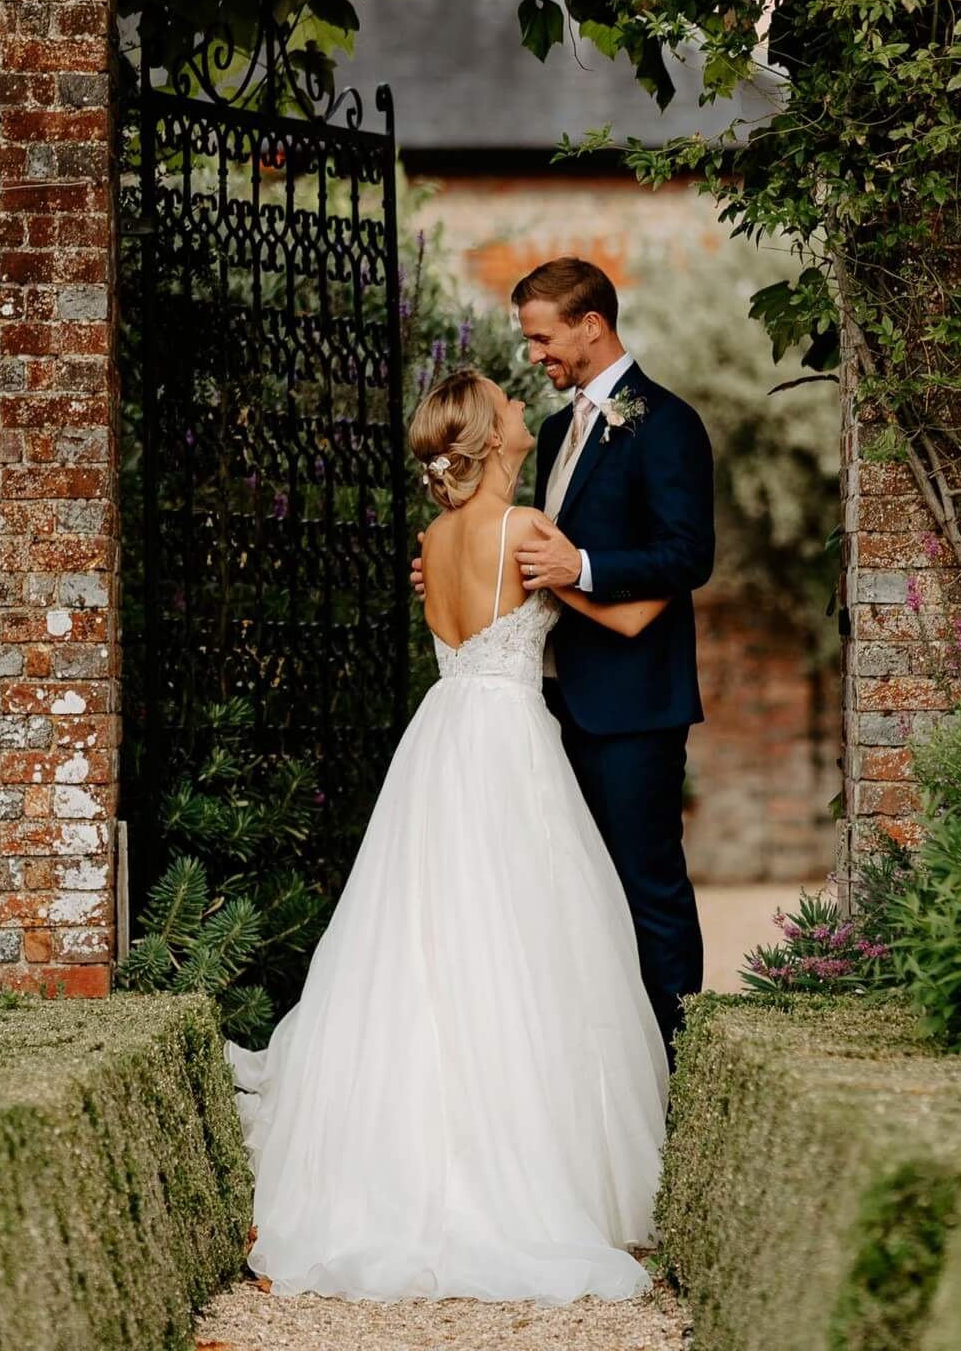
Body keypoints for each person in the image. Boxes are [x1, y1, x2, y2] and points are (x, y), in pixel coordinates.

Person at [224, 369, 670, 1304]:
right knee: (525, 939)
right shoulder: (526, 532)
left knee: (425, 938)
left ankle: (412, 1149)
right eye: (510, 410)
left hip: (441, 739)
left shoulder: (433, 538)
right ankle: (523, 1162)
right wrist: (667, 579)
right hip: (508, 744)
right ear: (494, 441)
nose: (523, 413)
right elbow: (622, 612)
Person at [416, 257, 716, 1053]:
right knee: (573, 897)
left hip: (631, 702)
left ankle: (679, 1061)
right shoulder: (552, 432)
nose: (535, 354)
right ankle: (601, 1061)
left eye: (544, 337)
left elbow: (688, 555)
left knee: (645, 886)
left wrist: (580, 569)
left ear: (592, 324)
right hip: (545, 704)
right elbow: (516, 558)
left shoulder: (668, 423)